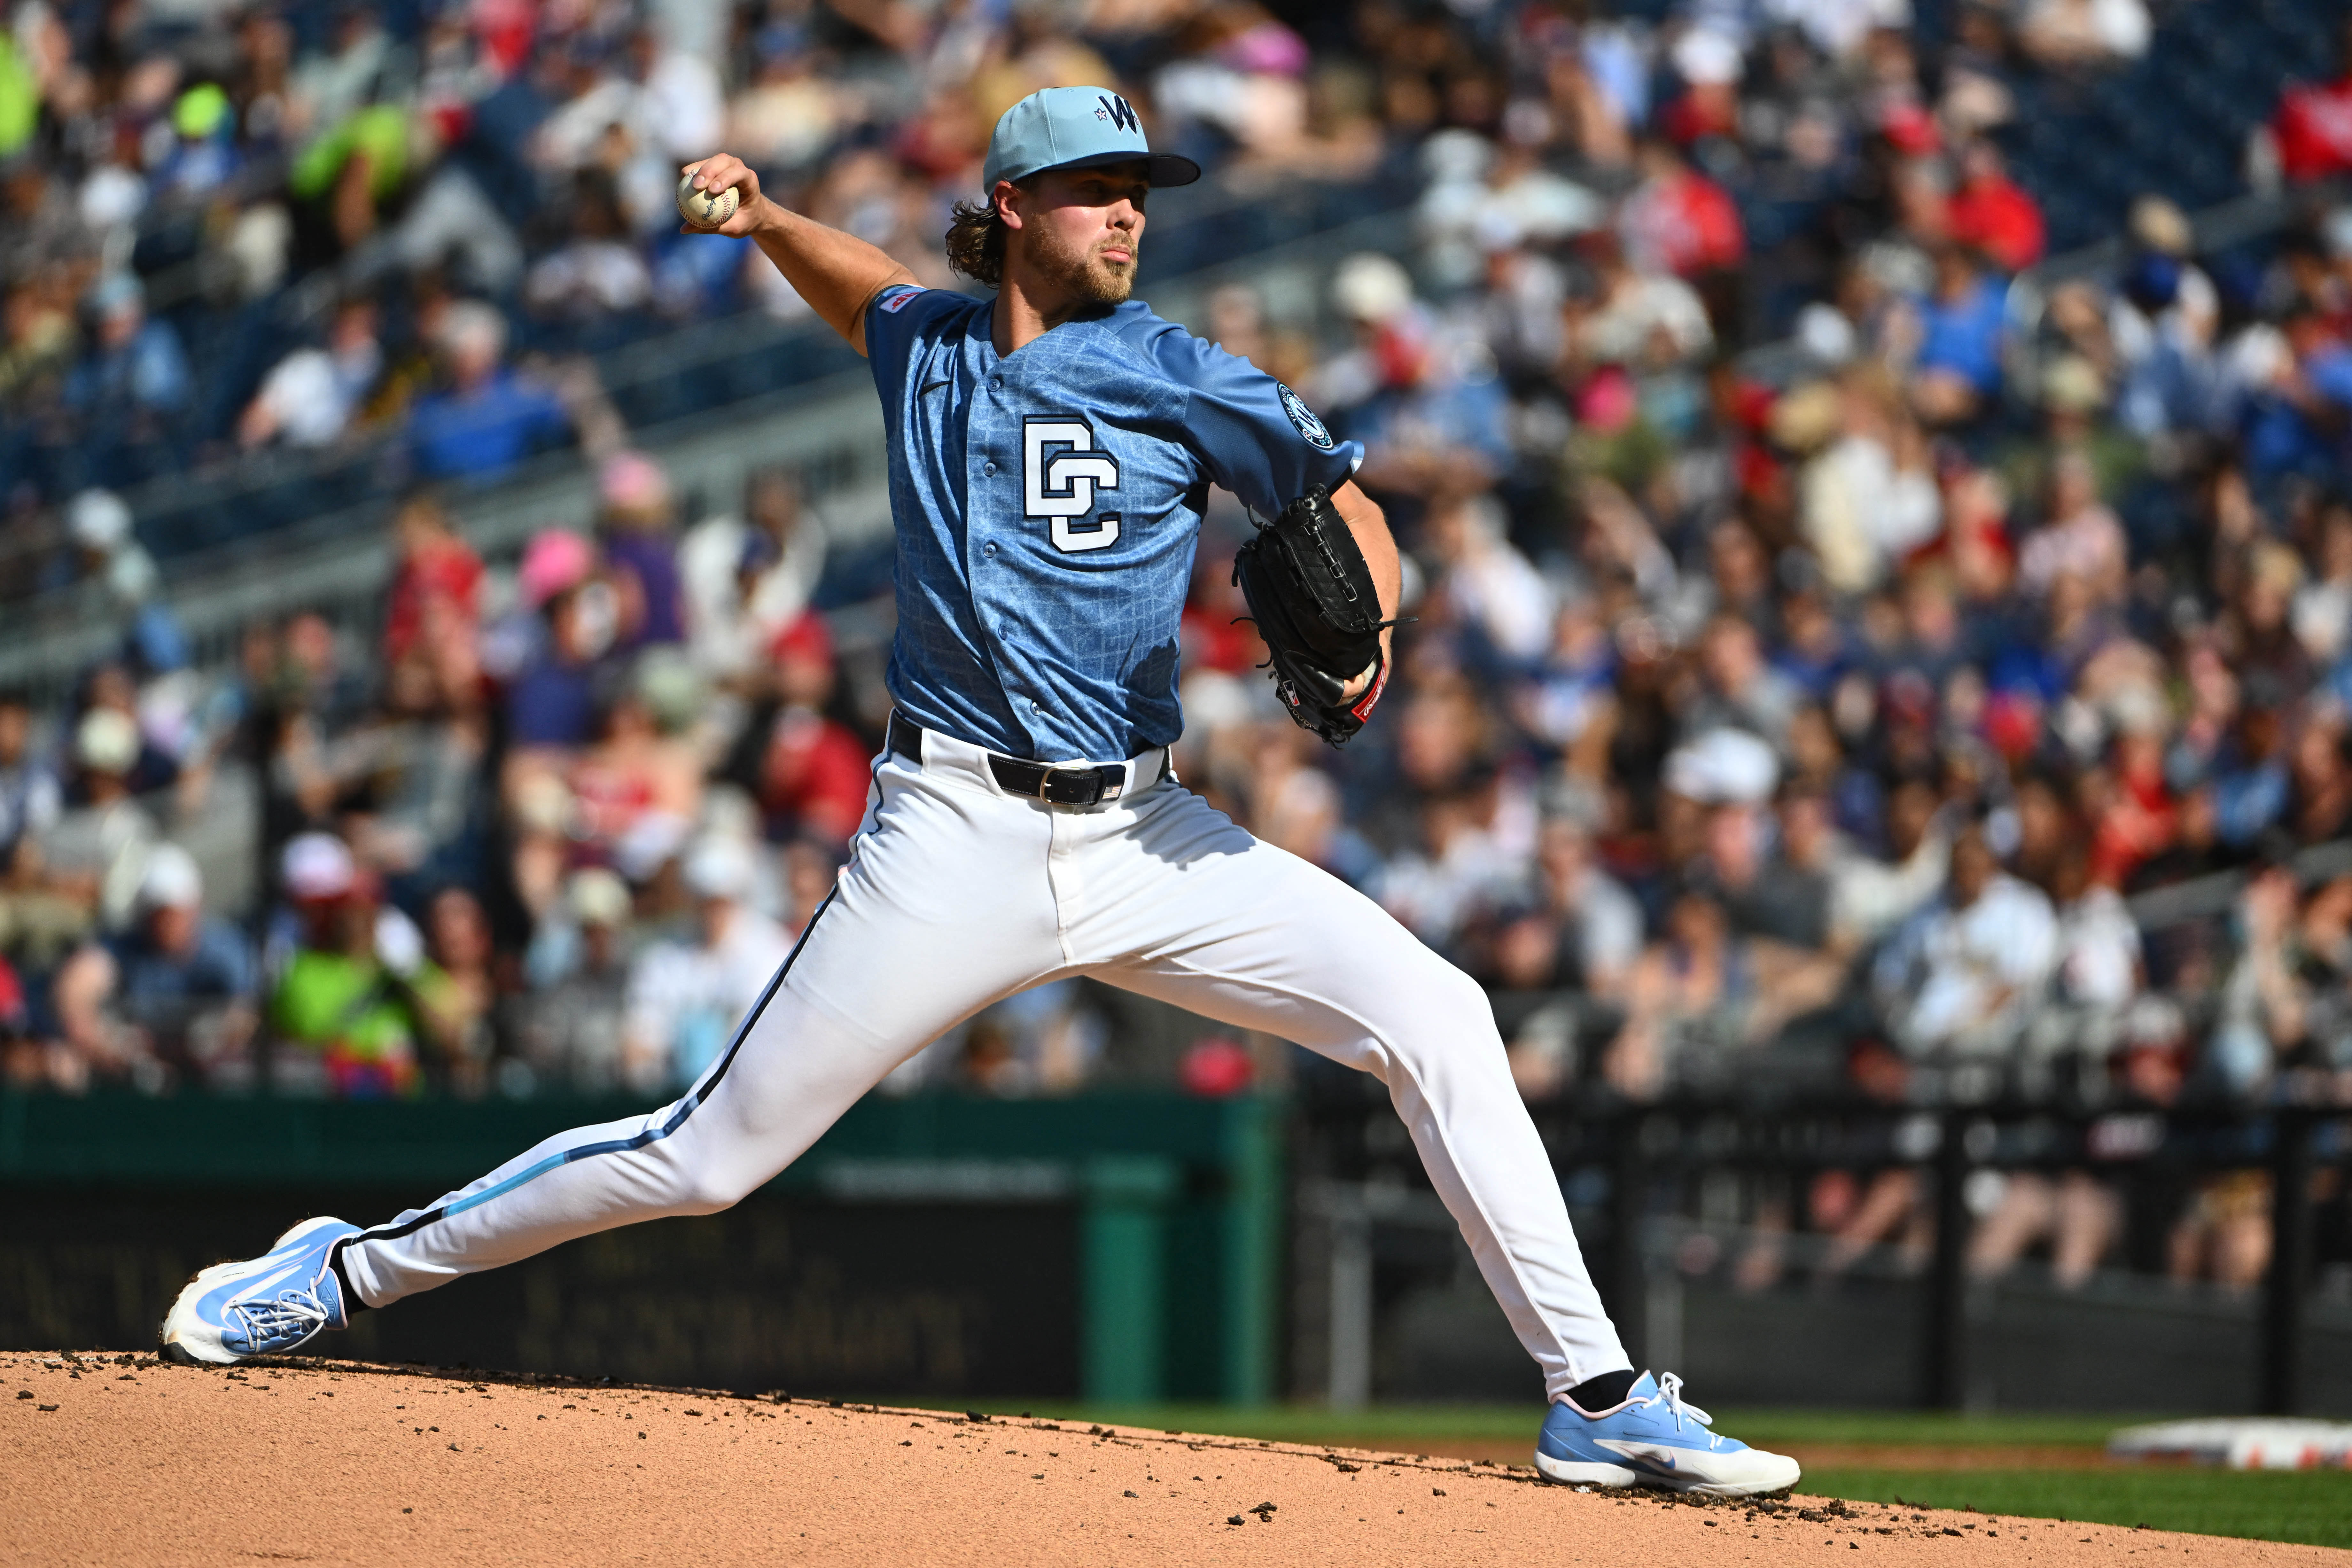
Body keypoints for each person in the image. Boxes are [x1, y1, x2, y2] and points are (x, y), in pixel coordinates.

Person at [161, 88, 1797, 1498]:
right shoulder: (927, 344)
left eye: (1141, 196)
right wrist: (769, 215)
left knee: (1436, 1015)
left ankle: (1593, 1403)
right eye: (1098, 193)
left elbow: (1346, 506)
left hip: (1152, 836)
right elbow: (862, 284)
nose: (1127, 220)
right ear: (1013, 208)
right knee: (712, 1157)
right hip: (949, 833)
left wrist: (1371, 635)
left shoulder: (1181, 369)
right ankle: (346, 1269)